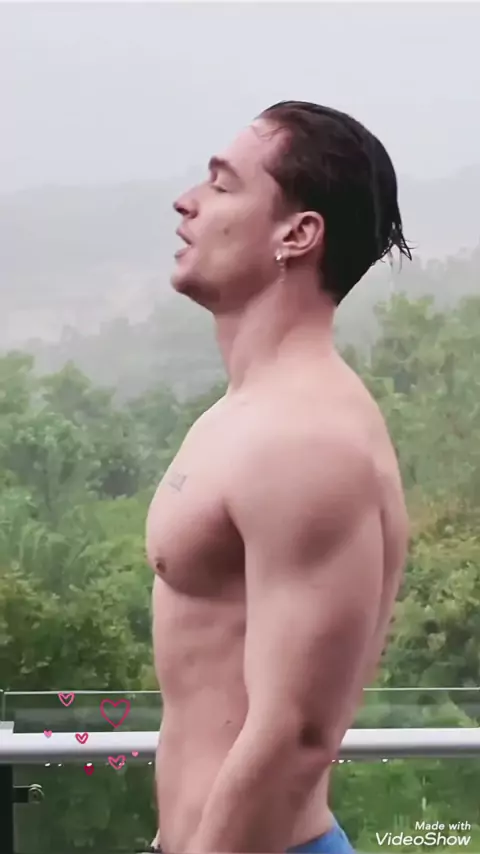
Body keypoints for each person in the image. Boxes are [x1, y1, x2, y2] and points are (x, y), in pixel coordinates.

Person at [146, 100, 411, 854]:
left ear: (297, 235)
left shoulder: (307, 439)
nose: (187, 202)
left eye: (222, 184)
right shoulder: (240, 414)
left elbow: (296, 736)